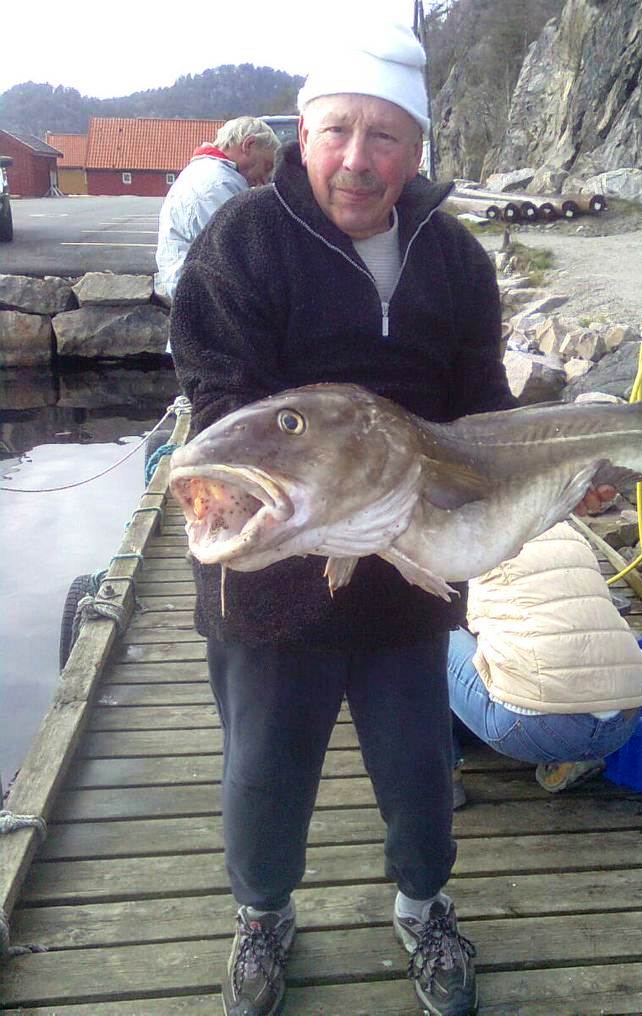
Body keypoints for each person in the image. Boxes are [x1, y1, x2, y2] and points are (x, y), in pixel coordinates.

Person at [169, 21, 614, 1016]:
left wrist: (554, 484)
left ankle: (425, 907)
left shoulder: (453, 258)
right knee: (264, 772)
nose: (357, 159)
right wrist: (311, 507)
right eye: (337, 131)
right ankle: (261, 915)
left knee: (420, 767)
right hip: (270, 570)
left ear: (416, 150)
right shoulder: (242, 243)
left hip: (413, 566)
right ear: (303, 135)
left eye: (384, 137)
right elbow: (219, 401)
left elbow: (482, 416)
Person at [448, 521, 642, 805]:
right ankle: (572, 758)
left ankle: (445, 778)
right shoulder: (569, 533)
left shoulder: (475, 535)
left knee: (428, 634)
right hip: (623, 724)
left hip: (533, 729)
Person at [156, 116, 279, 299]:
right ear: (249, 145)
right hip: (202, 295)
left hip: (191, 284)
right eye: (267, 166)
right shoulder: (217, 184)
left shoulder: (205, 172)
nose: (265, 180)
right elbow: (238, 252)